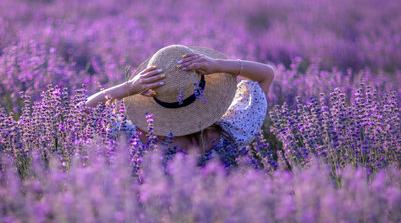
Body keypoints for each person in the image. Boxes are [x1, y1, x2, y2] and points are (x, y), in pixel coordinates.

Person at [86, 44, 274, 166]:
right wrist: (219, 65)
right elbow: (266, 74)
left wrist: (130, 86)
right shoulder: (232, 132)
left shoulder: (137, 138)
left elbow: (82, 113)